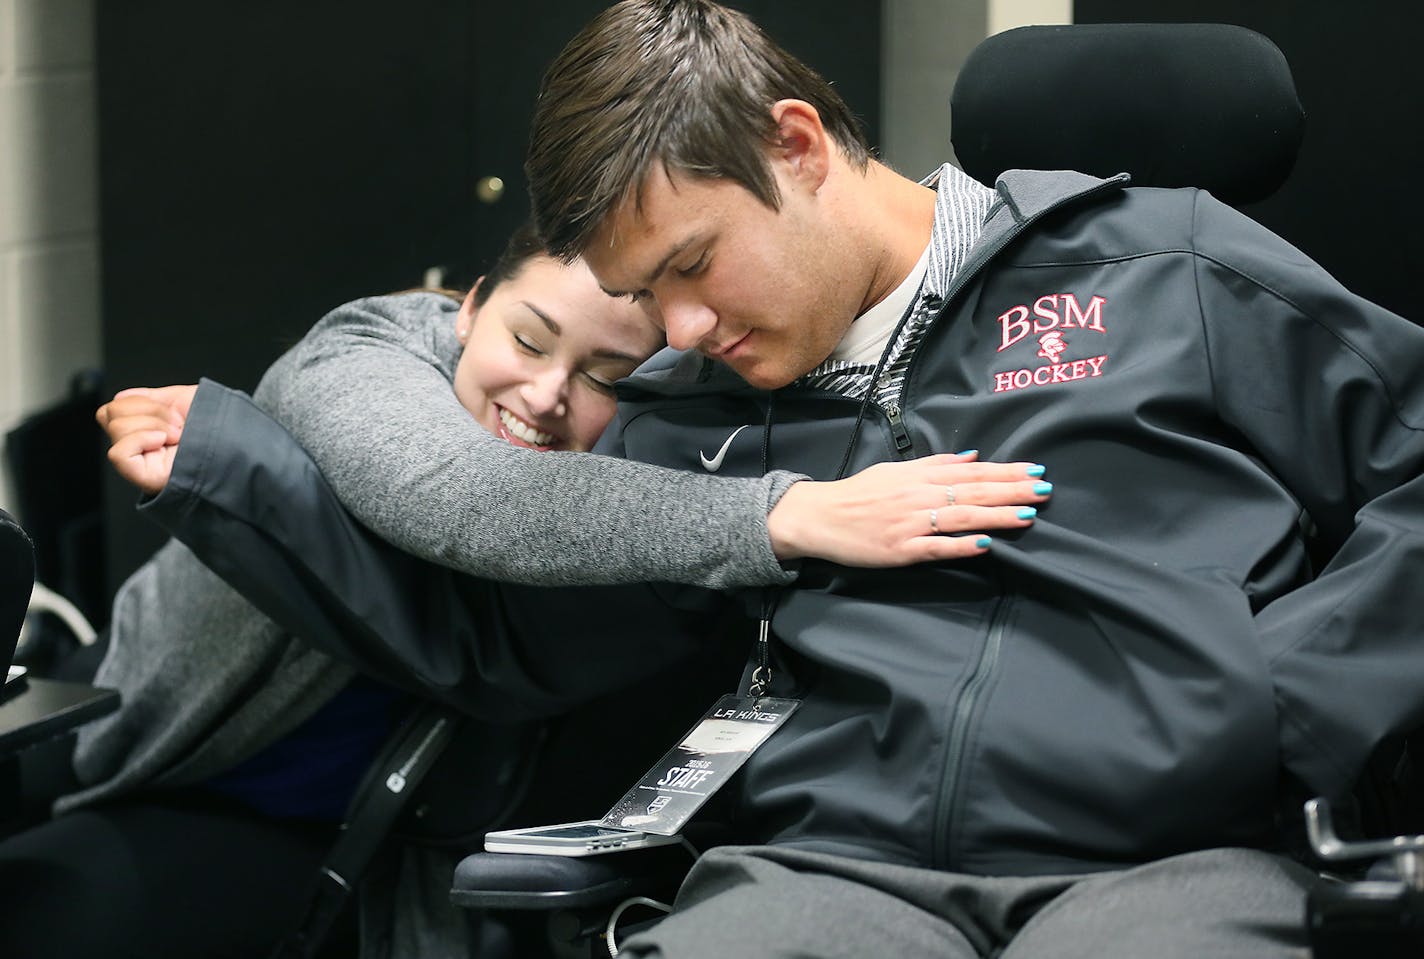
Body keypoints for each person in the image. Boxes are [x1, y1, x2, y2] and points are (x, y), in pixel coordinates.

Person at [99, 2, 1424, 955]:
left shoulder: (1158, 268)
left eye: (690, 265)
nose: (673, 332)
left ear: (795, 144)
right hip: (832, 870)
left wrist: (1284, 698)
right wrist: (238, 468)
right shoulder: (700, 412)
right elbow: (500, 639)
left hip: (1170, 861)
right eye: (639, 295)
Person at [1, 219, 1047, 959]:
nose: (544, 395)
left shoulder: (647, 478)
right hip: (155, 761)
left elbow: (499, 631)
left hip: (369, 846)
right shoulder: (361, 355)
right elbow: (462, 500)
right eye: (527, 338)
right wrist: (779, 516)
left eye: (602, 375)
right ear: (464, 307)